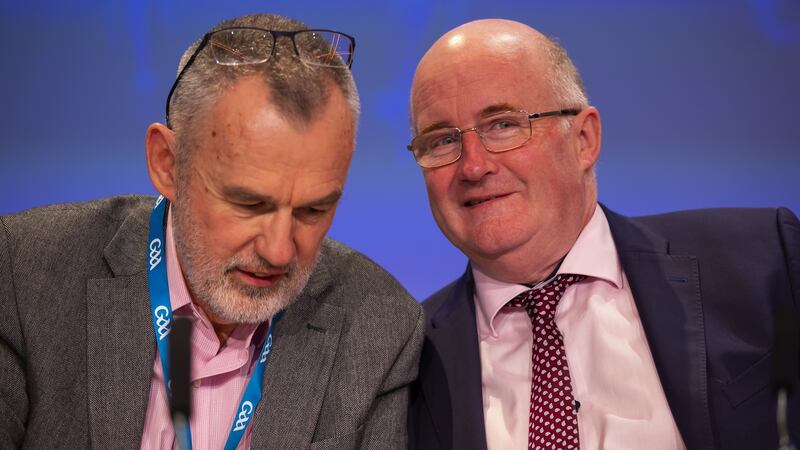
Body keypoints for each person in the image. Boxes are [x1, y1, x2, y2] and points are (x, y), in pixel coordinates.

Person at [0, 13, 423, 450]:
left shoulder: (380, 326)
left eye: (314, 209)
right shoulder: (22, 275)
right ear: (167, 163)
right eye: (248, 203)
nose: (279, 251)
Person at [406, 18, 799, 450]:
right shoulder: (404, 361)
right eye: (442, 141)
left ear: (584, 139)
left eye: (503, 125)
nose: (474, 167)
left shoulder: (763, 259)